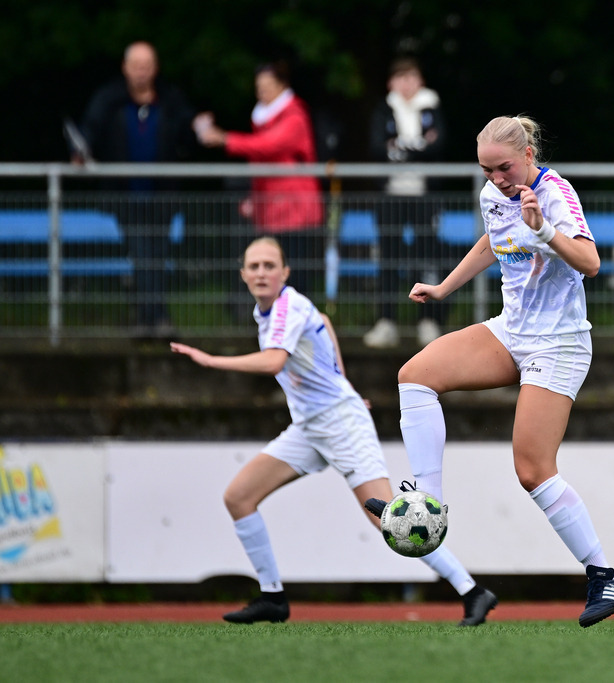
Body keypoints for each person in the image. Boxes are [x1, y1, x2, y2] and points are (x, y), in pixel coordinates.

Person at [366, 115, 614, 628]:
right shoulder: (494, 193)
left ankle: (605, 576)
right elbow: (492, 241)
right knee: (415, 375)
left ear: (528, 154)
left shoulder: (554, 192)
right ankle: (429, 504)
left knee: (532, 470)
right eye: (487, 170)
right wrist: (444, 288)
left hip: (558, 344)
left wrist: (544, 229)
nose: (497, 179)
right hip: (512, 331)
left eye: (504, 167)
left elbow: (591, 263)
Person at [169, 236, 497, 626]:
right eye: (253, 266)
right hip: (309, 427)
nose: (261, 273)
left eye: (269, 266)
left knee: (390, 520)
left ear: (285, 273)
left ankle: (473, 591)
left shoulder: (288, 306)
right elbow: (323, 323)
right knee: (239, 497)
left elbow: (275, 362)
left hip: (341, 425)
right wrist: (346, 383)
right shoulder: (274, 311)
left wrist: (210, 360)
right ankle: (272, 598)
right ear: (242, 274)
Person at [77, 41, 196, 338]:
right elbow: (89, 132)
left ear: (155, 69)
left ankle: (150, 319)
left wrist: (200, 129)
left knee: (156, 254)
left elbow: (190, 137)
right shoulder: (109, 100)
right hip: (127, 195)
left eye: (147, 66)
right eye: (136, 66)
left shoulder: (171, 100)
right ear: (125, 68)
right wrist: (80, 151)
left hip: (163, 195)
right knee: (142, 254)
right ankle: (154, 319)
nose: (141, 72)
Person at [194, 61, 323, 297]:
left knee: (294, 277)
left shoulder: (294, 116)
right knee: (276, 277)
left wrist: (226, 139)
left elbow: (268, 146)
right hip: (274, 209)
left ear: (282, 86)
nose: (262, 92)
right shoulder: (266, 117)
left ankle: (298, 330)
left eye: (268, 86)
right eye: (259, 87)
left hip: (294, 210)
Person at [363, 57, 448, 349]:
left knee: (426, 257)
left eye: (411, 77)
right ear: (391, 83)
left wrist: (399, 148)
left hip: (425, 197)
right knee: (388, 258)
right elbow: (376, 147)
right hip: (391, 197)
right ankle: (386, 322)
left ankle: (429, 321)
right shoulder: (383, 109)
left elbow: (439, 145)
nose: (406, 84)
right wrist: (418, 146)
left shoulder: (432, 107)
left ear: (420, 81)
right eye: (400, 78)